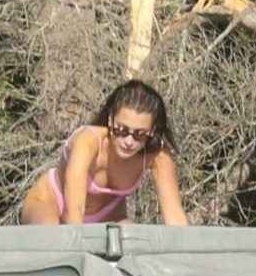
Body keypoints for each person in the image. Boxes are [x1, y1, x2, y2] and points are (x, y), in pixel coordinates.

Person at [22, 80, 188, 225]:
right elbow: (72, 216)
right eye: (121, 130)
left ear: (152, 130)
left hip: (108, 217)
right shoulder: (89, 141)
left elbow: (176, 221)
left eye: (140, 134)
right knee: (51, 234)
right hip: (53, 203)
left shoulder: (157, 157)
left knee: (134, 239)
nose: (129, 141)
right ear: (110, 120)